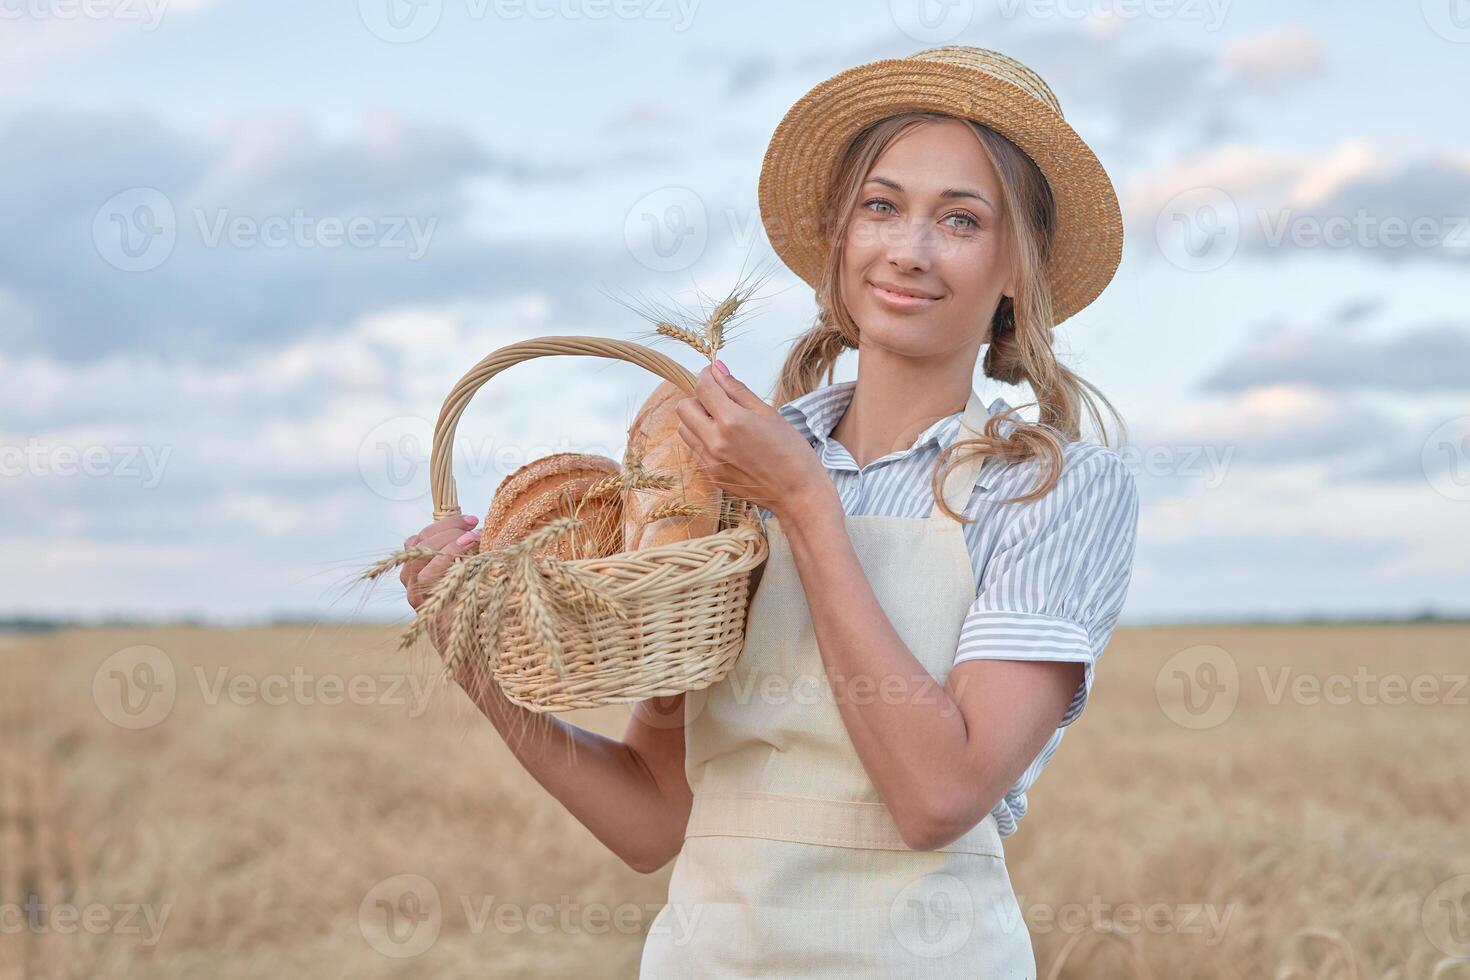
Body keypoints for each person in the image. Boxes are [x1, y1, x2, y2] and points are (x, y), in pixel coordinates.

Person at [402, 45, 1139, 979]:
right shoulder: (715, 476)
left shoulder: (1055, 488)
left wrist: (803, 502)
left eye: (961, 220)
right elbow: (653, 816)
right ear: (839, 237)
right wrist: (471, 654)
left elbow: (938, 798)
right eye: (882, 206)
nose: (908, 250)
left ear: (1016, 272)